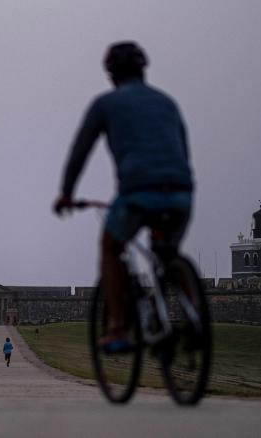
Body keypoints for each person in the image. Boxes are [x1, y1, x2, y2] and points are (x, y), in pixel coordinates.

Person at [53, 41, 193, 351]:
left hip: (139, 193)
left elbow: (80, 152)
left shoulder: (106, 104)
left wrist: (66, 194)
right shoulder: (168, 103)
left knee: (110, 247)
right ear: (143, 70)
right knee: (169, 253)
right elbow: (183, 150)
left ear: (111, 74)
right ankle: (195, 319)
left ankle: (118, 328)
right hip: (182, 192)